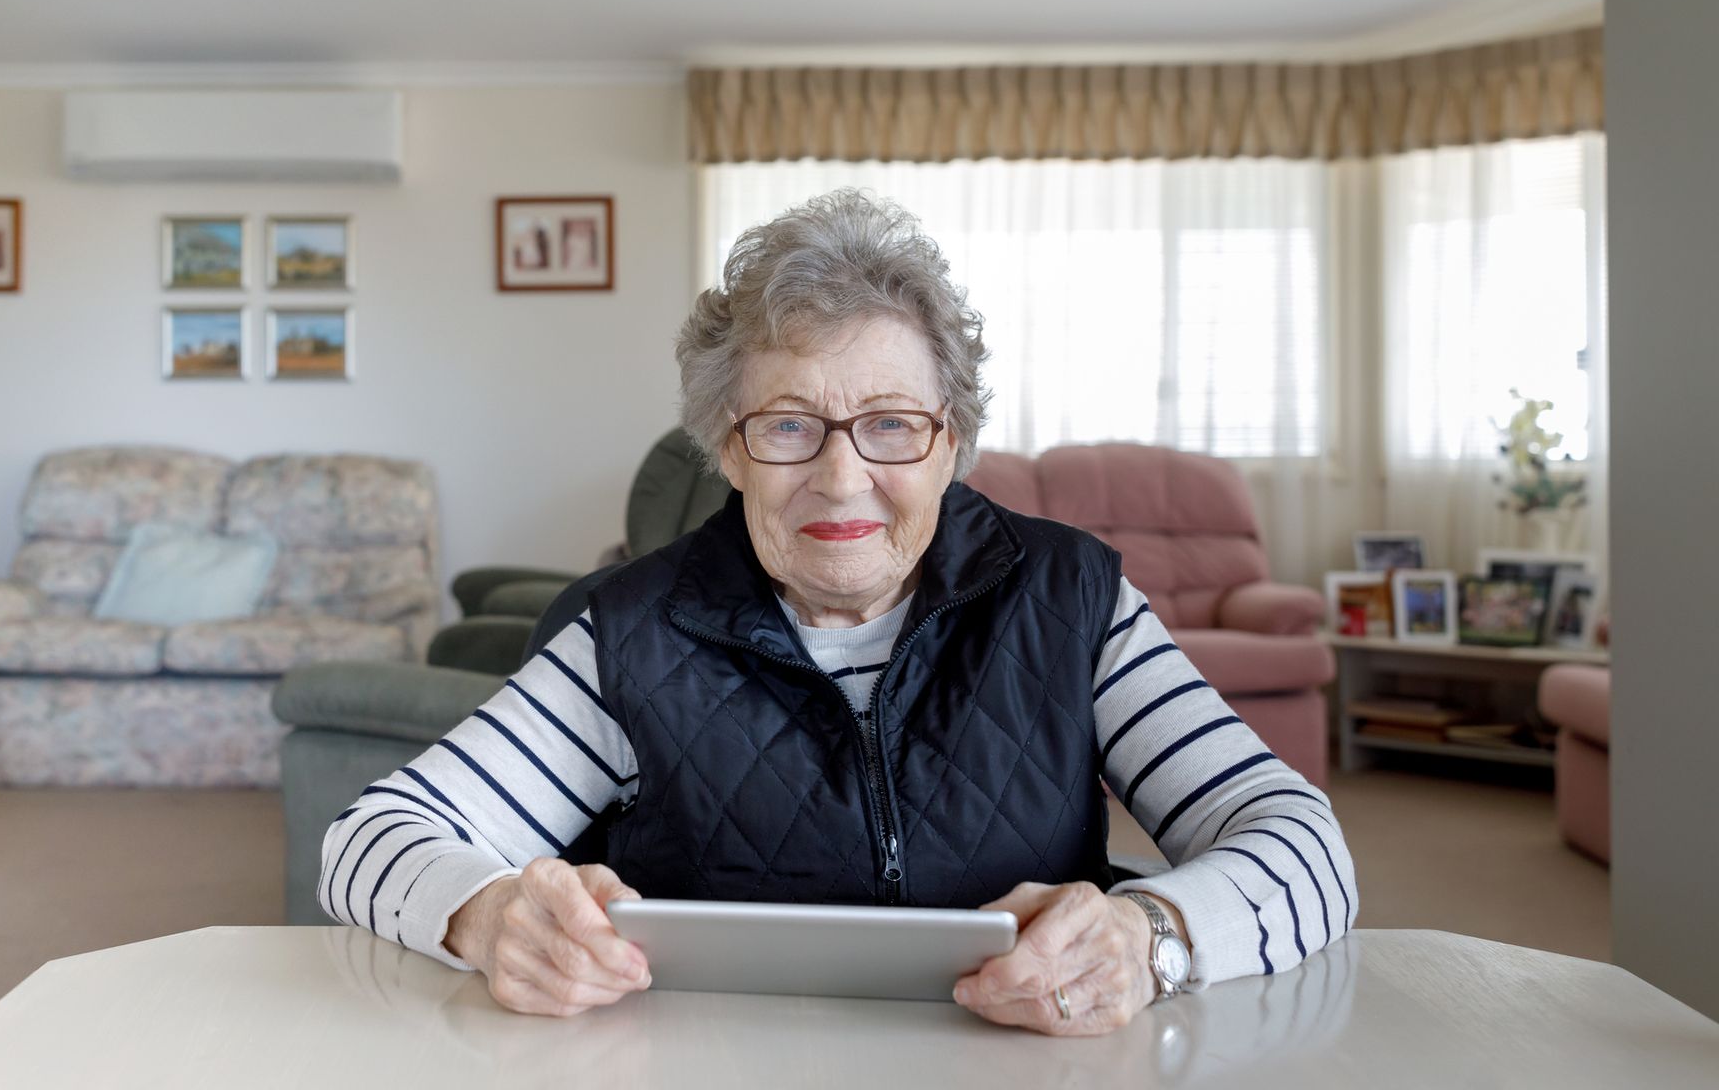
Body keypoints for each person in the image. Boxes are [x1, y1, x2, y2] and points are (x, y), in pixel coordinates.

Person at [321, 189, 1357, 1035]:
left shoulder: (1072, 599)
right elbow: (369, 839)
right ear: (728, 447)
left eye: (892, 424)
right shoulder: (624, 630)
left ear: (952, 443)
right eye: (789, 425)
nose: (842, 475)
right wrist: (487, 911)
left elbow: (1306, 844)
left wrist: (1152, 936)